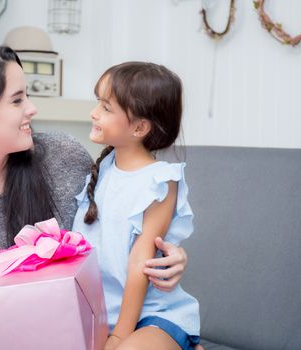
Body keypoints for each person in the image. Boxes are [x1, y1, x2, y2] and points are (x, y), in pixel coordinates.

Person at [0, 45, 190, 350]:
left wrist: (169, 255)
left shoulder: (62, 159)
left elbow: (124, 222)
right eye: (17, 100)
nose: (32, 109)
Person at [72, 62, 201, 350]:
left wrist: (119, 337)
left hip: (152, 316)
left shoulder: (160, 181)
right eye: (98, 103)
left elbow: (138, 265)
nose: (94, 113)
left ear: (139, 127)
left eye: (106, 108)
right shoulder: (102, 169)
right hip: (103, 316)